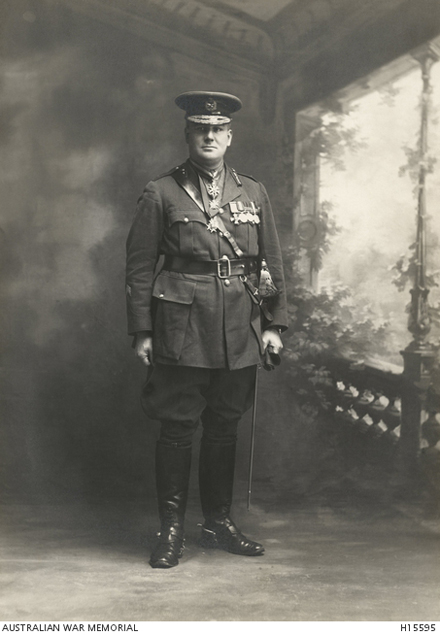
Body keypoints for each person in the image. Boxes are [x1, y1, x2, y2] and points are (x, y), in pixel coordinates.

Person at [126, 91, 288, 569]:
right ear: (189, 134)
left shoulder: (252, 192)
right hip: (180, 322)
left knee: (224, 426)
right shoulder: (161, 192)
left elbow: (268, 262)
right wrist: (142, 330)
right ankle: (172, 529)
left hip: (240, 322)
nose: (210, 135)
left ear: (230, 136)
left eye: (218, 129)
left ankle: (217, 523)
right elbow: (139, 267)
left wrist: (274, 323)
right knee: (177, 427)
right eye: (201, 128)